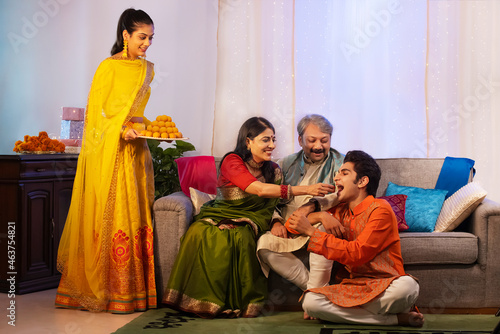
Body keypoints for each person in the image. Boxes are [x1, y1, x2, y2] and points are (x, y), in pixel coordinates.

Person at [163, 117, 332, 318]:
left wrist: (276, 220)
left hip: (253, 220)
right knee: (201, 233)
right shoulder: (232, 161)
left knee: (242, 238)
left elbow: (270, 206)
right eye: (265, 140)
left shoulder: (275, 170)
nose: (272, 145)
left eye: (273, 139)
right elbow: (258, 190)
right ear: (248, 141)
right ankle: (203, 301)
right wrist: (306, 190)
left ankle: (312, 295)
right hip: (221, 214)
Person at [55, 8, 157, 313]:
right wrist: (120, 130)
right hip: (112, 154)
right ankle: (108, 291)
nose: (147, 43)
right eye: (142, 37)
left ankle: (134, 292)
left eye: (151, 38)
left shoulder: (148, 69)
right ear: (126, 35)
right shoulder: (107, 68)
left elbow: (137, 112)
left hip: (137, 152)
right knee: (113, 214)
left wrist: (150, 131)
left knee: (134, 215)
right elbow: (96, 118)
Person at [288, 150, 424, 327]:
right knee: (310, 301)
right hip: (354, 288)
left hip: (387, 285)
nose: (337, 178)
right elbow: (290, 225)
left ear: (362, 181)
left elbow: (357, 253)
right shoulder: (340, 212)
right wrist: (321, 216)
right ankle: (394, 318)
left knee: (407, 287)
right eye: (338, 173)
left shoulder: (380, 209)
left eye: (344, 173)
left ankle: (348, 313)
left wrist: (313, 232)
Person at [256, 115, 343, 309]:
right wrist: (276, 221)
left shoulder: (341, 164)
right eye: (312, 140)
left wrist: (313, 208)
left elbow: (340, 195)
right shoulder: (285, 164)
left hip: (319, 223)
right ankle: (317, 293)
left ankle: (315, 298)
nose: (319, 146)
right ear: (300, 140)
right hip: (290, 225)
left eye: (324, 140)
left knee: (323, 231)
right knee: (263, 245)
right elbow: (270, 199)